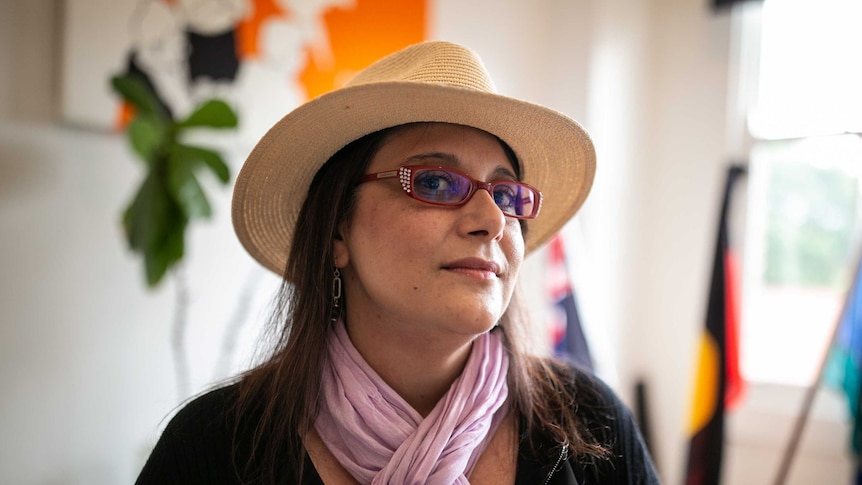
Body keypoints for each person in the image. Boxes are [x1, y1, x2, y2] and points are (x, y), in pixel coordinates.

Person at [136, 40, 660, 485]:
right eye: (434, 182)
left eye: (505, 194)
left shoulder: (593, 425)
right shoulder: (212, 449)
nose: (491, 220)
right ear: (338, 230)